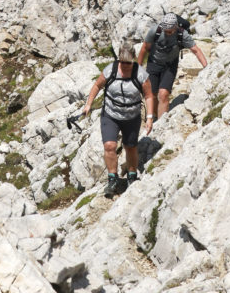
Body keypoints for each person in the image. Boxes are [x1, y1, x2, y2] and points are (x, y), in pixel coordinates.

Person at [82, 40, 155, 197]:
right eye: (122, 62)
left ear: (134, 60)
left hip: (132, 116)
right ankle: (112, 179)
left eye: (128, 63)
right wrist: (88, 104)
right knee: (109, 146)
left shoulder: (141, 74)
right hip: (111, 114)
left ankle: (131, 175)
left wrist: (149, 118)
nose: (125, 66)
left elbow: (149, 96)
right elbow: (97, 86)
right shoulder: (111, 70)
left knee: (130, 147)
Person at [137, 13, 208, 120]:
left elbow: (196, 50)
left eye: (170, 31)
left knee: (163, 94)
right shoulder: (155, 31)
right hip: (153, 64)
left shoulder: (182, 34)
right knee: (152, 94)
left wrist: (207, 68)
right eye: (165, 30)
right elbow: (144, 49)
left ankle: (162, 123)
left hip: (170, 66)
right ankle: (154, 117)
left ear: (176, 27)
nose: (167, 33)